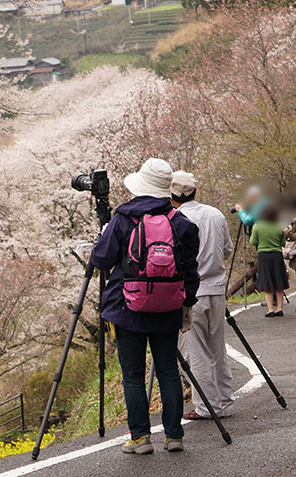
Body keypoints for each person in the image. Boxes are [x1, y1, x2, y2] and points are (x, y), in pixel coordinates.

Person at [91, 158, 200, 454]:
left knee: (133, 375)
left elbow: (101, 260)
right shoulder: (182, 224)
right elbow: (190, 271)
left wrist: (102, 238)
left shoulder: (123, 218)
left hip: (128, 308)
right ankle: (174, 435)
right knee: (167, 370)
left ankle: (140, 438)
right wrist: (185, 303)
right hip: (167, 309)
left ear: (141, 187)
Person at [169, 171, 236, 421]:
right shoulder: (215, 214)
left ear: (171, 195)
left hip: (190, 292)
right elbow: (226, 250)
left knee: (196, 352)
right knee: (217, 348)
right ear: (196, 191)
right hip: (217, 290)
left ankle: (208, 406)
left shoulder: (175, 218)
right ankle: (225, 401)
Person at [250, 206, 288, 317]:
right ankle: (280, 308)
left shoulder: (257, 226)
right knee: (278, 282)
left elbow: (253, 241)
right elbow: (283, 243)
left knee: (267, 282)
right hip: (276, 255)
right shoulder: (279, 226)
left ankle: (270, 309)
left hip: (263, 255)